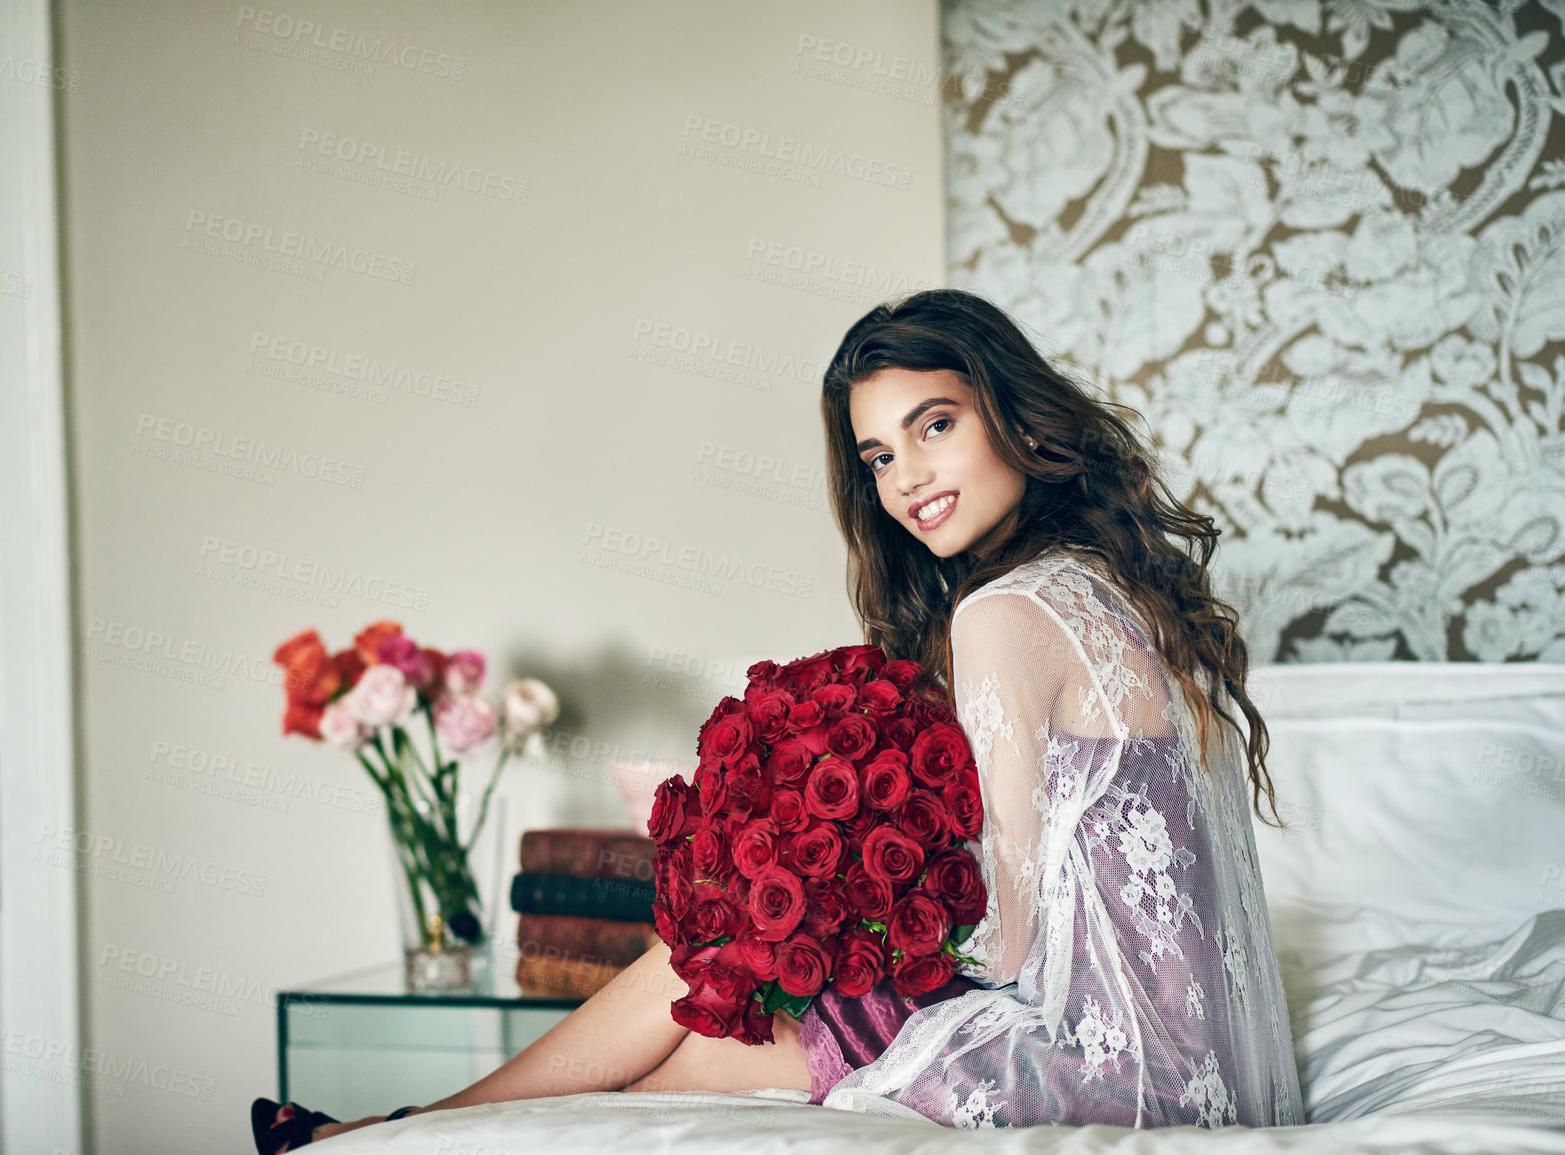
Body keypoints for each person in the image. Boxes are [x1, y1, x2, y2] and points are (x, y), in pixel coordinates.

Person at [252, 288, 1305, 1152]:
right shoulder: (1114, 589)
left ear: (1012, 415)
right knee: (713, 981)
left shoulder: (1006, 613)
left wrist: (822, 915)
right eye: (880, 456)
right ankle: (395, 1134)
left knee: (708, 987)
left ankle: (393, 1137)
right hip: (1195, 1063)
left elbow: (1013, 936)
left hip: (1106, 1067)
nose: (908, 479)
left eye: (935, 425)